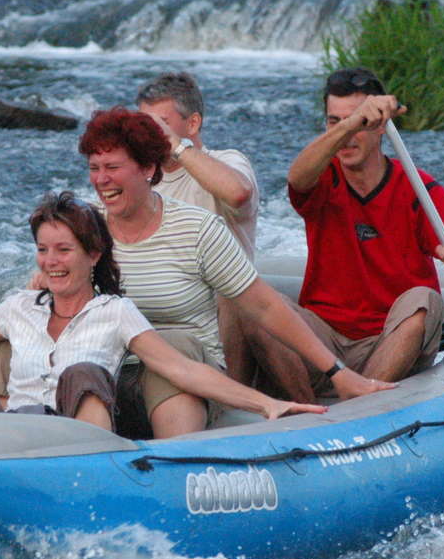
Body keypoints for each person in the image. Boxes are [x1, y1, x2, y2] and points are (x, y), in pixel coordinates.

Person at [0, 191, 325, 429]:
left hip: (73, 441)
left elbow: (181, 369)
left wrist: (266, 404)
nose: (51, 262)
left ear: (92, 255)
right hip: (7, 438)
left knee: (83, 373)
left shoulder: (116, 311)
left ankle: (87, 474)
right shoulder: (20, 306)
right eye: (43, 250)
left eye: (64, 250)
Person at [79, 107, 392, 438]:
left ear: (147, 168)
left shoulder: (196, 228)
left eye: (112, 168)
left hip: (192, 376)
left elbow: (264, 306)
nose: (101, 180)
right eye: (94, 168)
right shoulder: (83, 229)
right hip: (112, 374)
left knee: (174, 342)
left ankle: (179, 464)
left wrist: (337, 372)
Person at [279, 66, 444, 399]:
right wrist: (353, 121)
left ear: (381, 125)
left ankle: (357, 406)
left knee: (424, 298)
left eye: (359, 121)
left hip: (390, 342)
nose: (347, 135)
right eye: (334, 122)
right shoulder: (322, 177)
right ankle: (301, 415)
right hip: (323, 345)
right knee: (251, 302)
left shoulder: (415, 185)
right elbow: (296, 178)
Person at [136, 71, 260, 381]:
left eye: (159, 124)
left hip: (217, 315)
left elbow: (237, 192)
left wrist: (176, 146)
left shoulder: (229, 160)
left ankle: (236, 397)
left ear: (192, 124)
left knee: (230, 295)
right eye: (143, 125)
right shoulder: (135, 179)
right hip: (157, 307)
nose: (149, 134)